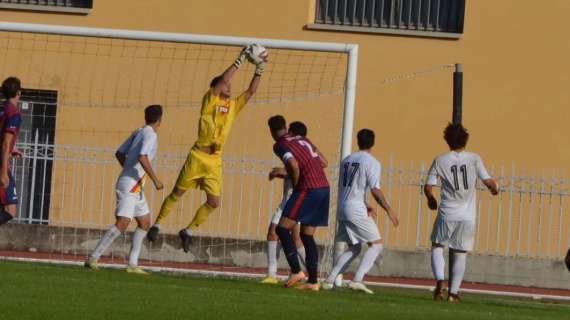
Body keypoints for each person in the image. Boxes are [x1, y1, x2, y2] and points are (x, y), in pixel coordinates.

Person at [147, 45, 266, 253]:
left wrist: (260, 69)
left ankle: (189, 230)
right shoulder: (209, 101)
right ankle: (157, 224)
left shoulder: (233, 107)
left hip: (215, 161)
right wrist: (240, 60)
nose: (230, 87)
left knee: (214, 202)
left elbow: (251, 91)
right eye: (226, 85)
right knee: (177, 193)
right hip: (198, 156)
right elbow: (221, 83)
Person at [84, 105, 164, 274]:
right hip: (131, 185)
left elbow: (119, 153)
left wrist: (127, 169)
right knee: (123, 223)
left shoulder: (139, 131)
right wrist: (155, 179)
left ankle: (132, 265)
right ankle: (93, 258)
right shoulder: (151, 134)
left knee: (145, 222)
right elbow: (143, 156)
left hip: (135, 185)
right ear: (160, 120)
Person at [424, 123, 498, 302]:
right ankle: (454, 293)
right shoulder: (474, 158)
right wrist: (494, 189)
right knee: (460, 252)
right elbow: (488, 181)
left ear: (446, 140)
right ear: (466, 140)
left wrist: (431, 199)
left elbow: (428, 186)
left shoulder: (440, 160)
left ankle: (441, 281)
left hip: (447, 212)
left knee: (437, 245)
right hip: (467, 216)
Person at [321, 129, 398, 294]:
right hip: (355, 208)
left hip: (343, 206)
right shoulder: (371, 162)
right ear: (373, 143)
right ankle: (357, 280)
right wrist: (388, 209)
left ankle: (329, 280)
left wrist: (365, 203)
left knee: (354, 247)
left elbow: (348, 187)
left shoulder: (346, 160)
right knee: (376, 244)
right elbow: (375, 190)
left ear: (357, 141)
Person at [267, 115, 329, 291]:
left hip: (307, 188)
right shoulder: (302, 138)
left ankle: (296, 270)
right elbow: (323, 161)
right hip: (324, 187)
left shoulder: (280, 144)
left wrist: (296, 187)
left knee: (281, 228)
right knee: (307, 235)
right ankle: (313, 282)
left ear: (271, 131)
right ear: (286, 127)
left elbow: (293, 165)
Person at [260, 121, 311, 285]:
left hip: (293, 198)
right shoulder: (304, 149)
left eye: (290, 133)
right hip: (295, 197)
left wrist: (282, 171)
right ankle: (311, 274)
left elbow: (297, 169)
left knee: (274, 232)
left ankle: (272, 274)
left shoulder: (294, 148)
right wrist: (282, 173)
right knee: (295, 238)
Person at [0, 77, 22, 226]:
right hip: (1, 164)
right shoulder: (14, 113)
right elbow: (6, 142)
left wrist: (11, 149)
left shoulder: (2, 109)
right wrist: (3, 172)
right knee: (9, 210)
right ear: (19, 93)